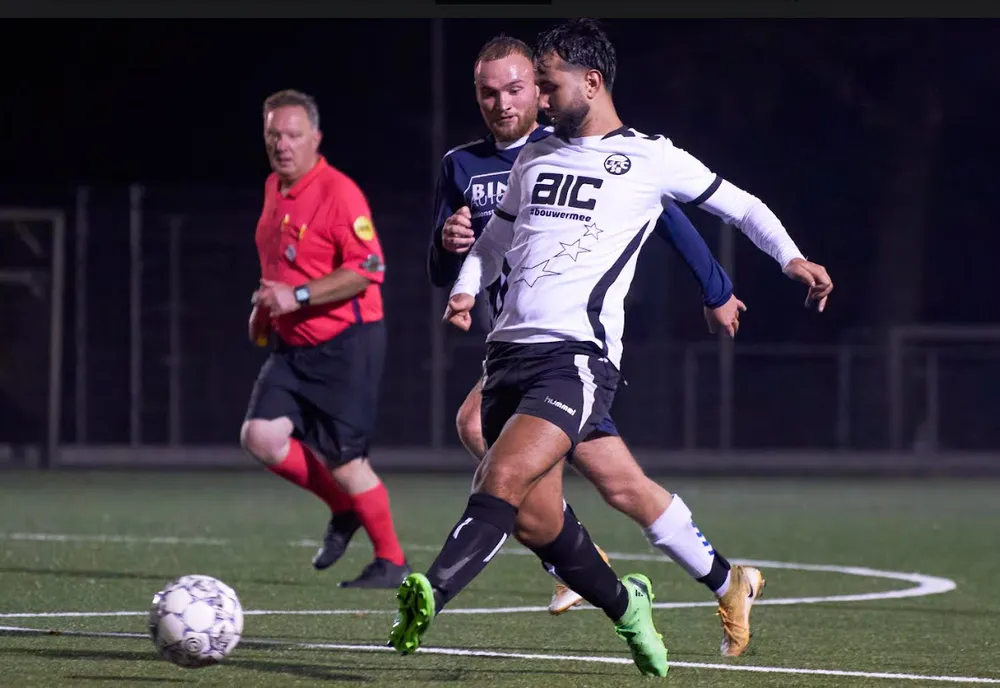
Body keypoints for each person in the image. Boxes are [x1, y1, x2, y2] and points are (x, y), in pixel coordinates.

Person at [393, 19, 834, 670]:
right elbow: (491, 244)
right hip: (508, 355)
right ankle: (710, 584)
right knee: (596, 498)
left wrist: (786, 260)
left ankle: (432, 591)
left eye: (545, 86)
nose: (536, 100)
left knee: (499, 468)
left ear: (592, 82)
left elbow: (736, 207)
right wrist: (462, 290)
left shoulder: (648, 158)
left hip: (575, 360)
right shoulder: (533, 158)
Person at [427, 34, 747, 628]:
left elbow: (670, 215)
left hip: (571, 351)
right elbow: (450, 263)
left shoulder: (576, 148)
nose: (504, 103)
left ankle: (569, 555)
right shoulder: (462, 165)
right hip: (514, 347)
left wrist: (716, 288)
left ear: (540, 88)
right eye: (488, 93)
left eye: (519, 88)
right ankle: (728, 581)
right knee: (623, 487)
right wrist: (451, 252)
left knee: (480, 433)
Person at [241, 89, 410, 589]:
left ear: (316, 137)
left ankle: (392, 562)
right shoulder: (274, 187)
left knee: (346, 462)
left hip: (346, 344)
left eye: (293, 135)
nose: (282, 145)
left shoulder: (339, 192)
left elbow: (370, 268)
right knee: (260, 436)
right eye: (274, 135)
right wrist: (266, 307)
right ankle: (344, 508)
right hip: (293, 345)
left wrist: (296, 295)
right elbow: (283, 266)